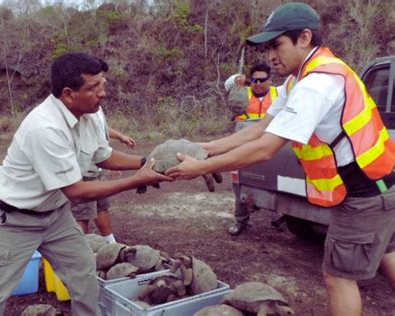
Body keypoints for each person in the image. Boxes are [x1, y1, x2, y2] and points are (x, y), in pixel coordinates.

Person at [166, 3, 395, 315]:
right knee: (390, 253)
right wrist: (206, 147)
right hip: (382, 184)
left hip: (365, 194)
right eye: (268, 47)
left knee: (338, 277)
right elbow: (260, 128)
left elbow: (265, 148)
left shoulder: (316, 84)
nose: (271, 55)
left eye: (277, 45)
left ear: (303, 38)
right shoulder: (303, 77)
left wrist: (201, 168)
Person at [0, 52, 172, 316]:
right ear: (69, 94)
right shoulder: (45, 127)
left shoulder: (92, 113)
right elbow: (77, 191)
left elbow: (102, 156)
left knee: (84, 275)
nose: (102, 93)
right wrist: (137, 181)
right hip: (13, 220)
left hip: (55, 216)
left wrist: (145, 163)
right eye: (93, 88)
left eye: (103, 84)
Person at [224, 63, 281, 236]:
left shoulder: (279, 93)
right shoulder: (243, 90)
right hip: (242, 140)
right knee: (240, 181)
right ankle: (241, 221)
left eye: (262, 80)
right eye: (254, 79)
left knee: (277, 178)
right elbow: (228, 84)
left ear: (270, 80)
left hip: (270, 140)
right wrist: (236, 78)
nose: (257, 83)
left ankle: (284, 215)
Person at [73, 104, 136, 243]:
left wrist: (120, 137)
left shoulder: (96, 108)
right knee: (82, 214)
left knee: (101, 206)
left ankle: (111, 242)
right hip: (85, 170)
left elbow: (99, 130)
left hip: (96, 167)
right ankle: (81, 248)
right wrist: (104, 160)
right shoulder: (81, 107)